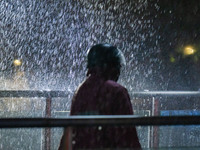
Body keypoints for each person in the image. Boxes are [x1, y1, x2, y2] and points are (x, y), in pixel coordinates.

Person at [58, 44, 141, 150]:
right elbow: (128, 137)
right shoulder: (117, 92)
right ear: (110, 67)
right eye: (117, 67)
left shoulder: (81, 91)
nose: (119, 73)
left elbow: (70, 134)